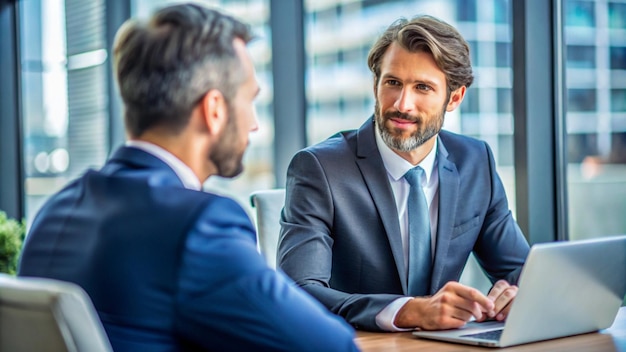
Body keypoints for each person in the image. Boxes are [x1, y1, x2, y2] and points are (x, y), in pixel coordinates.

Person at [18, 4, 358, 351]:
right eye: (249, 100)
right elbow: (331, 345)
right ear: (214, 110)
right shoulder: (198, 227)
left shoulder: (56, 211)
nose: (254, 123)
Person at [278, 15, 530, 332]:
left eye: (422, 87)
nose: (402, 104)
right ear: (376, 84)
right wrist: (406, 312)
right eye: (392, 83)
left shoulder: (476, 161)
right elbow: (298, 292)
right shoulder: (319, 169)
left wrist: (517, 295)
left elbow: (520, 271)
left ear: (454, 98)